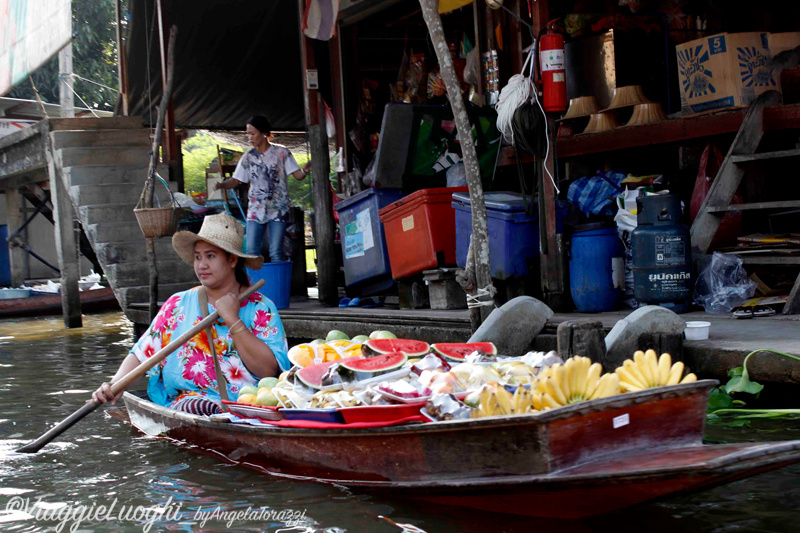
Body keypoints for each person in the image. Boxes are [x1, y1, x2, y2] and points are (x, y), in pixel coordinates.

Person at [92, 213, 291, 415]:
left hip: (246, 406)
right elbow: (143, 353)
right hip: (186, 402)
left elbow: (268, 371)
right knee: (196, 405)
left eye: (210, 256)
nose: (202, 265)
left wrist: (232, 319)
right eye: (198, 257)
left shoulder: (260, 307)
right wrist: (115, 384)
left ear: (232, 259)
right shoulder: (178, 303)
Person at [215, 115, 311, 262]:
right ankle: (254, 283)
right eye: (248, 134)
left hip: (278, 208)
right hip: (255, 209)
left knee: (276, 251)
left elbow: (298, 175)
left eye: (252, 134)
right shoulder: (248, 157)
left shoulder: (282, 153)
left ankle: (276, 283)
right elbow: (235, 180)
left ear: (264, 133)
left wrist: (305, 170)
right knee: (251, 251)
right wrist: (221, 184)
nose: (249, 138)